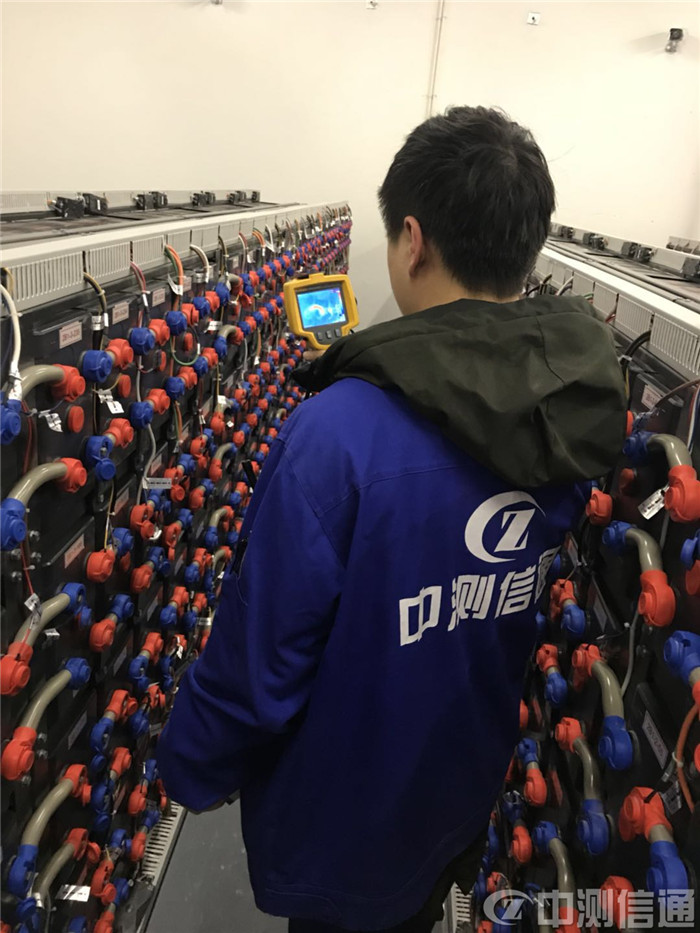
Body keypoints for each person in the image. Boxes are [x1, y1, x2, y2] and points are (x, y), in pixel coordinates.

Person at [157, 106, 627, 933]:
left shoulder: (337, 435)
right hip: (457, 787)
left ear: (412, 240)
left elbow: (260, 660)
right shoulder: (569, 414)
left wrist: (190, 764)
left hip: (346, 816)